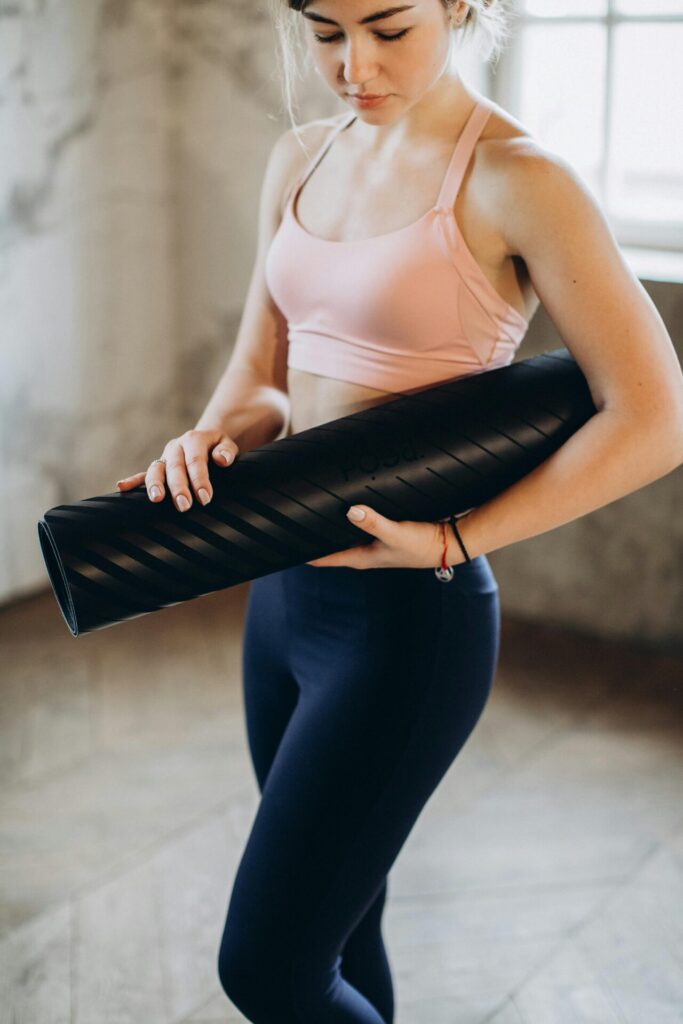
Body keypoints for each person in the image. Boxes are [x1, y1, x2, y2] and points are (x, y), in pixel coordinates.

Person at [115, 1, 683, 1020]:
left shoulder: (518, 179)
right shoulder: (298, 156)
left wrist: (455, 537)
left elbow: (652, 416)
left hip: (409, 625)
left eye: (386, 28)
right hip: (282, 600)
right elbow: (262, 374)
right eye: (324, 33)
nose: (351, 66)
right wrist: (206, 438)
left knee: (266, 967)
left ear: (459, 7)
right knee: (339, 919)